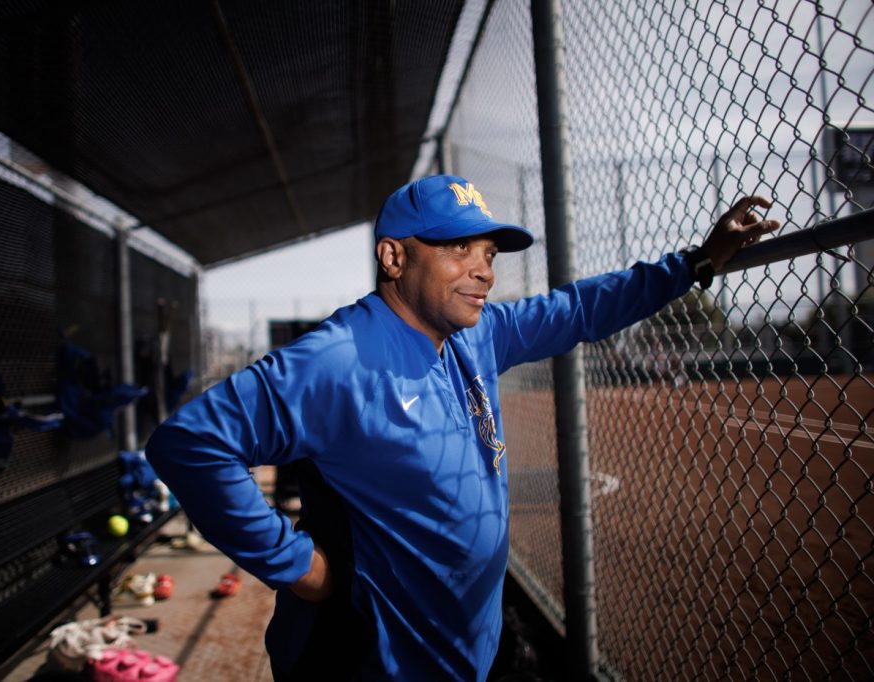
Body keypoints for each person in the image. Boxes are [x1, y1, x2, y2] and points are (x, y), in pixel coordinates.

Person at [145, 174, 778, 681]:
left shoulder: (478, 334)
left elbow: (578, 308)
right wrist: (297, 568)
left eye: (489, 252)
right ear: (393, 257)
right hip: (373, 661)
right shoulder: (338, 359)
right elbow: (189, 443)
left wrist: (696, 262)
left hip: (475, 644)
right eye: (457, 248)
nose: (484, 269)